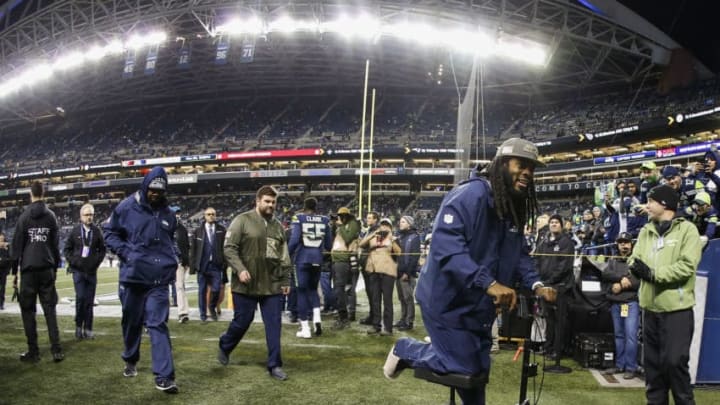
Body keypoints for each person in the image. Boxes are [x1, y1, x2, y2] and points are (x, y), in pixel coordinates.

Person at [383, 138, 557, 405]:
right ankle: (406, 349)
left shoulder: (512, 206)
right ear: (501, 164)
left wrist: (536, 285)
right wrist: (489, 283)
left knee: (478, 372)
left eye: (532, 168)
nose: (527, 173)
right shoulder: (470, 194)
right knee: (462, 366)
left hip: (478, 304)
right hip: (446, 300)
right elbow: (446, 248)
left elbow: (519, 254)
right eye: (521, 164)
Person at [103, 167, 179, 394]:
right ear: (145, 186)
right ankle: (130, 358)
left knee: (157, 324)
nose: (155, 194)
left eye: (160, 190)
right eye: (152, 190)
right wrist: (127, 253)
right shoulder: (126, 207)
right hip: (134, 279)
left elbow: (171, 239)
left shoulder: (169, 213)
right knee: (131, 322)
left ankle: (164, 376)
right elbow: (109, 233)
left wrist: (175, 256)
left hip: (158, 280)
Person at [629, 184, 701, 405]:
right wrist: (637, 267)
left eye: (651, 201)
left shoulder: (687, 230)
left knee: (674, 365)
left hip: (676, 311)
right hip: (649, 310)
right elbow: (634, 258)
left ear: (664, 204)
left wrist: (652, 273)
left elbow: (687, 266)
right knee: (653, 371)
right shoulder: (645, 231)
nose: (646, 205)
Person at [217, 185, 293, 381]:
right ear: (258, 201)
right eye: (267, 201)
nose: (271, 205)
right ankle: (225, 345)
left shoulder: (278, 227)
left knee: (274, 325)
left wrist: (285, 279)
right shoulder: (241, 220)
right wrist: (240, 269)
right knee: (242, 321)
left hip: (272, 285)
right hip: (245, 285)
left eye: (273, 202)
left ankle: (274, 365)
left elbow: (284, 256)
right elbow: (229, 249)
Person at [11, 181, 64, 363]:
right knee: (50, 309)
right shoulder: (51, 217)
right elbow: (55, 246)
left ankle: (33, 352)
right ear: (44, 193)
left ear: (30, 194)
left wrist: (15, 274)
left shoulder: (24, 217)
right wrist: (55, 267)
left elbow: (16, 248)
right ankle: (56, 350)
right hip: (46, 268)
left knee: (28, 311)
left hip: (28, 270)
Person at [287, 197, 333, 338]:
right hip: (317, 259)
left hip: (302, 259)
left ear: (304, 206)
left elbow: (294, 240)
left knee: (301, 292)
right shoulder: (325, 220)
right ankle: (317, 320)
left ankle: (305, 328)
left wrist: (287, 254)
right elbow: (329, 245)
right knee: (313, 290)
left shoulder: (299, 218)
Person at [534, 214, 574, 361]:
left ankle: (558, 351)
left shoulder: (566, 243)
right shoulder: (544, 241)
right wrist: (539, 280)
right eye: (552, 222)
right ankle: (548, 347)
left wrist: (549, 282)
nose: (554, 224)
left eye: (557, 222)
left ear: (561, 225)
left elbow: (564, 267)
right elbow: (537, 259)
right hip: (545, 286)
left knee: (560, 321)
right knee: (549, 319)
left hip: (560, 287)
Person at [64, 203, 106, 340]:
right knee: (80, 298)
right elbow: (67, 250)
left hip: (91, 272)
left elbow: (102, 249)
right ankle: (78, 327)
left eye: (91, 215)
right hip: (78, 272)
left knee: (89, 301)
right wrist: (74, 262)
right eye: (86, 215)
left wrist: (96, 262)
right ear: (81, 216)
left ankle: (88, 329)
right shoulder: (75, 231)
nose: (89, 217)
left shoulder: (97, 231)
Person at [601, 232, 640, 380]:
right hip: (616, 303)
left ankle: (630, 367)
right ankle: (619, 365)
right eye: (621, 242)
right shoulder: (613, 259)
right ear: (617, 244)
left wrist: (621, 286)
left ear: (631, 244)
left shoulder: (636, 260)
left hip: (630, 302)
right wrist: (620, 279)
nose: (624, 245)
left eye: (626, 242)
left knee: (630, 336)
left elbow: (638, 281)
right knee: (619, 335)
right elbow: (605, 275)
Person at [359, 218, 401, 335]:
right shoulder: (373, 237)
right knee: (375, 299)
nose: (384, 227)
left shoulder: (394, 238)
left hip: (388, 272)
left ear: (391, 228)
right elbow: (362, 244)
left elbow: (399, 253)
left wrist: (392, 239)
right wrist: (372, 234)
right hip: (374, 271)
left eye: (387, 226)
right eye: (382, 225)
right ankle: (375, 325)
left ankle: (388, 328)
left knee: (387, 301)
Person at [191, 207, 226, 322]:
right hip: (202, 266)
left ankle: (211, 307)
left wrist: (224, 263)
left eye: (213, 214)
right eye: (208, 214)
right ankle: (202, 314)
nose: (211, 216)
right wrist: (193, 267)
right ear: (204, 216)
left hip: (216, 265)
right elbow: (194, 250)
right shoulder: (197, 231)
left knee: (216, 289)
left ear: (216, 216)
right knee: (201, 291)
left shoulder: (222, 230)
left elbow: (225, 248)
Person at [330, 206, 361, 329]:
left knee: (341, 289)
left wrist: (340, 226)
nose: (339, 218)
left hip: (343, 260)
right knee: (339, 289)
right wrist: (334, 225)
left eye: (340, 216)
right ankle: (342, 314)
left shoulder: (353, 224)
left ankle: (344, 318)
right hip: (337, 260)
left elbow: (348, 238)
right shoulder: (342, 226)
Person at [394, 215, 420, 331]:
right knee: (401, 298)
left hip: (407, 274)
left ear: (409, 224)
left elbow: (414, 258)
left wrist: (407, 273)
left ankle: (409, 322)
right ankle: (403, 319)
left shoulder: (414, 237)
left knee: (408, 298)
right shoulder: (400, 236)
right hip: (399, 272)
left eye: (403, 222)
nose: (401, 224)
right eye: (400, 222)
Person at [359, 211, 380, 326]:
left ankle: (376, 319)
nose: (368, 220)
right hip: (366, 265)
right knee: (369, 292)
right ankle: (372, 316)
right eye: (367, 218)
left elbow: (363, 244)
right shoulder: (370, 230)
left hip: (372, 265)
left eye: (370, 218)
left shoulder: (377, 231)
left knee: (374, 293)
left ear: (375, 219)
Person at [171, 206, 191, 323]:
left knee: (179, 287)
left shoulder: (182, 228)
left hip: (179, 262)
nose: (177, 215)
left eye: (178, 213)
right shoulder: (165, 227)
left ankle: (183, 313)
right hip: (166, 262)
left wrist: (186, 261)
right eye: (175, 213)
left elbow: (186, 246)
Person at [0, 232, 14, 311]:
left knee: (2, 288)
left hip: (3, 271)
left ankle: (1, 303)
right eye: (0, 239)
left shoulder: (8, 247)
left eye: (2, 239)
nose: (1, 240)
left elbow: (10, 259)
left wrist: (8, 270)